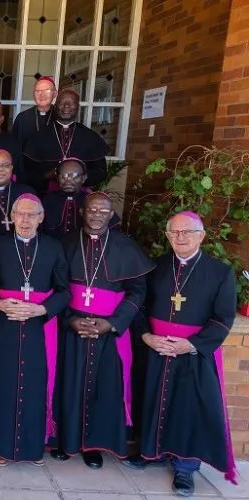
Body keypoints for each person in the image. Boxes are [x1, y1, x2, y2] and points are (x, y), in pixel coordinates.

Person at [122, 211, 238, 496]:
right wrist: (147, 336)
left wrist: (192, 344)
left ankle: (185, 469)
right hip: (157, 347)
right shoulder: (156, 267)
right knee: (154, 401)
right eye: (174, 232)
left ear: (202, 235)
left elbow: (223, 317)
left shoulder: (219, 272)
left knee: (188, 409)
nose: (180, 237)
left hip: (192, 352)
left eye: (187, 232)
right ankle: (154, 452)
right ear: (167, 236)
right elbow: (140, 307)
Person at [53, 192, 154, 468]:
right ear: (83, 212)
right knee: (67, 383)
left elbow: (137, 292)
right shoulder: (65, 243)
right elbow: (55, 287)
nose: (97, 215)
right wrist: (70, 319)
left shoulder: (125, 247)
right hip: (72, 328)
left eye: (103, 211)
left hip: (109, 332)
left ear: (111, 215)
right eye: (92, 210)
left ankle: (93, 446)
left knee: (103, 388)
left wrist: (113, 323)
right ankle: (65, 440)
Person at [0, 194, 70, 465]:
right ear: (11, 216)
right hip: (3, 326)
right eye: (19, 214)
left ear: (41, 218)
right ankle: (2, 446)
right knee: (3, 384)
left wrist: (42, 309)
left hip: (39, 328)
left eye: (31, 215)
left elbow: (64, 291)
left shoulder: (54, 248)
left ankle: (33, 447)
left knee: (35, 384)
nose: (24, 220)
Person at [23, 88, 108, 194]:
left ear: (78, 107)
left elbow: (101, 172)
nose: (66, 106)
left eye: (71, 103)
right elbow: (28, 174)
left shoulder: (90, 137)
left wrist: (78, 176)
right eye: (62, 102)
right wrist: (50, 174)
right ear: (55, 107)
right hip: (47, 196)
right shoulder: (38, 137)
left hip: (81, 195)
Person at [41, 158, 119, 239]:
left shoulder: (92, 201)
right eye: (63, 176)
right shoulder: (46, 200)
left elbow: (111, 231)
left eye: (74, 176)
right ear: (57, 177)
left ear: (84, 178)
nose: (68, 181)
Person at [12, 76, 57, 149]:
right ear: (33, 95)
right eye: (38, 91)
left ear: (55, 93)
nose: (42, 94)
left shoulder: (61, 117)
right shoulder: (22, 118)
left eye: (47, 90)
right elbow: (15, 146)